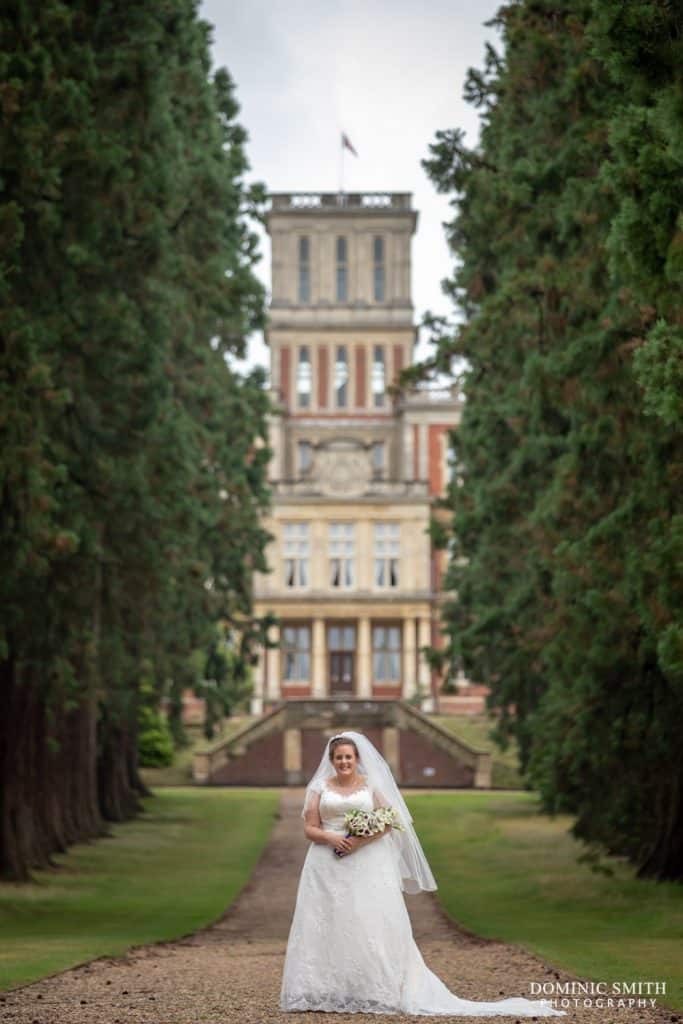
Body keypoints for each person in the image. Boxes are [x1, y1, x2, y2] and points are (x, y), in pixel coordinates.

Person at [280, 730, 566, 1017]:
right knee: (327, 918)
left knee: (369, 918)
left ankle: (374, 988)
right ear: (331, 760)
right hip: (325, 862)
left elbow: (388, 822)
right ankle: (323, 987)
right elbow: (310, 828)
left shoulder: (371, 786)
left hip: (366, 859)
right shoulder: (319, 786)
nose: (344, 762)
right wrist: (332, 839)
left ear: (357, 759)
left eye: (348, 757)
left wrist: (357, 842)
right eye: (339, 757)